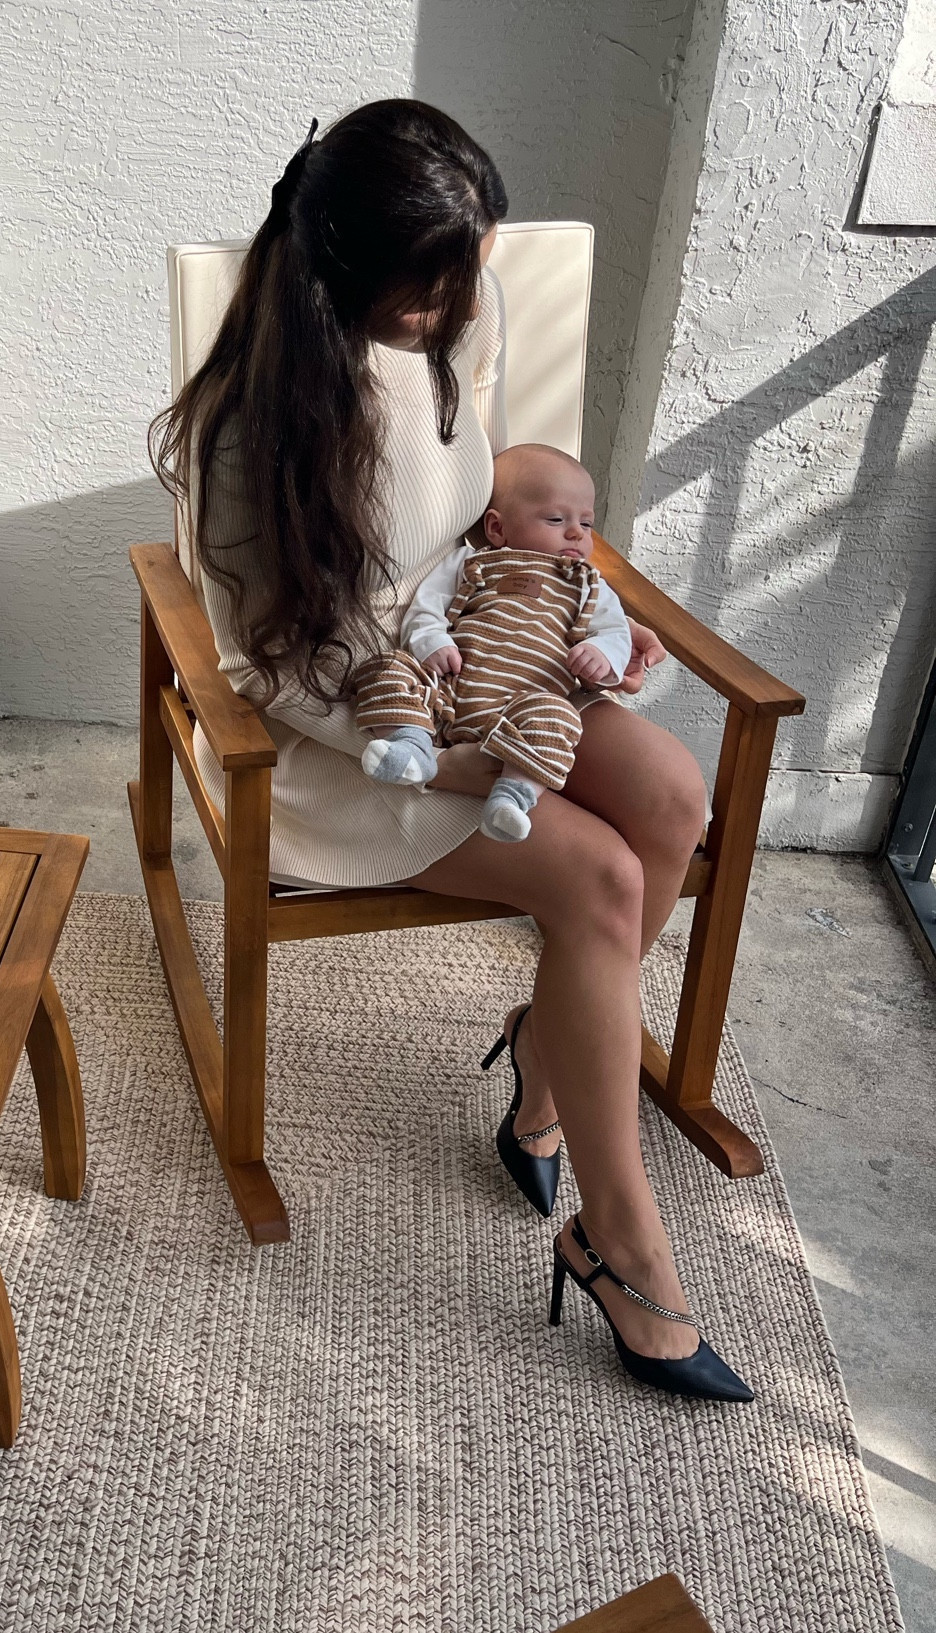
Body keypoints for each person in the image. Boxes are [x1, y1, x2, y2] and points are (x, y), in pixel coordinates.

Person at [150, 99, 751, 1402]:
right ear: (352, 282)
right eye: (442, 278)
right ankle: (620, 1236)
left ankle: (544, 1067)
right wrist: (460, 747)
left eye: (473, 260)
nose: (471, 296)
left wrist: (578, 601)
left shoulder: (432, 336)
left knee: (670, 795)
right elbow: (280, 670)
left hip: (482, 653)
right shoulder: (264, 429)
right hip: (353, 746)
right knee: (598, 882)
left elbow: (482, 493)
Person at [353, 444, 632, 844]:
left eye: (587, 523)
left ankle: (512, 796)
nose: (576, 532)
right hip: (450, 686)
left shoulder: (587, 585)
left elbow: (616, 632)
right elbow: (426, 607)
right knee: (385, 667)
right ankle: (411, 744)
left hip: (524, 705)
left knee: (561, 718)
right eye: (556, 518)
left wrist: (602, 655)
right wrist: (431, 641)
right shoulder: (471, 562)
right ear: (497, 528)